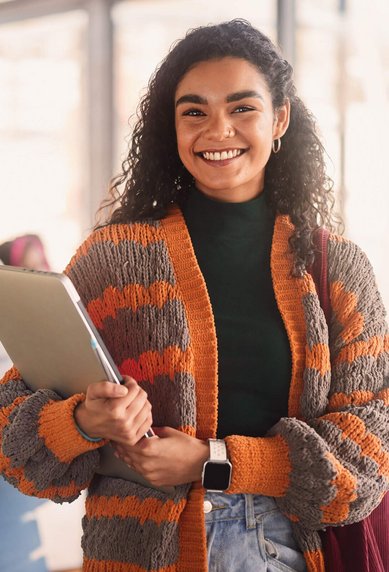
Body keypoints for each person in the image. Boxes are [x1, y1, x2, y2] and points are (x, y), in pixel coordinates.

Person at [0, 19, 388, 572]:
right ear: (173, 127)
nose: (218, 130)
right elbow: (13, 439)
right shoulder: (111, 261)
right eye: (194, 112)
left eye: (242, 108)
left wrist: (213, 463)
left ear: (278, 119)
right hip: (133, 556)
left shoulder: (337, 270)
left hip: (281, 548)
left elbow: (371, 452)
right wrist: (85, 422)